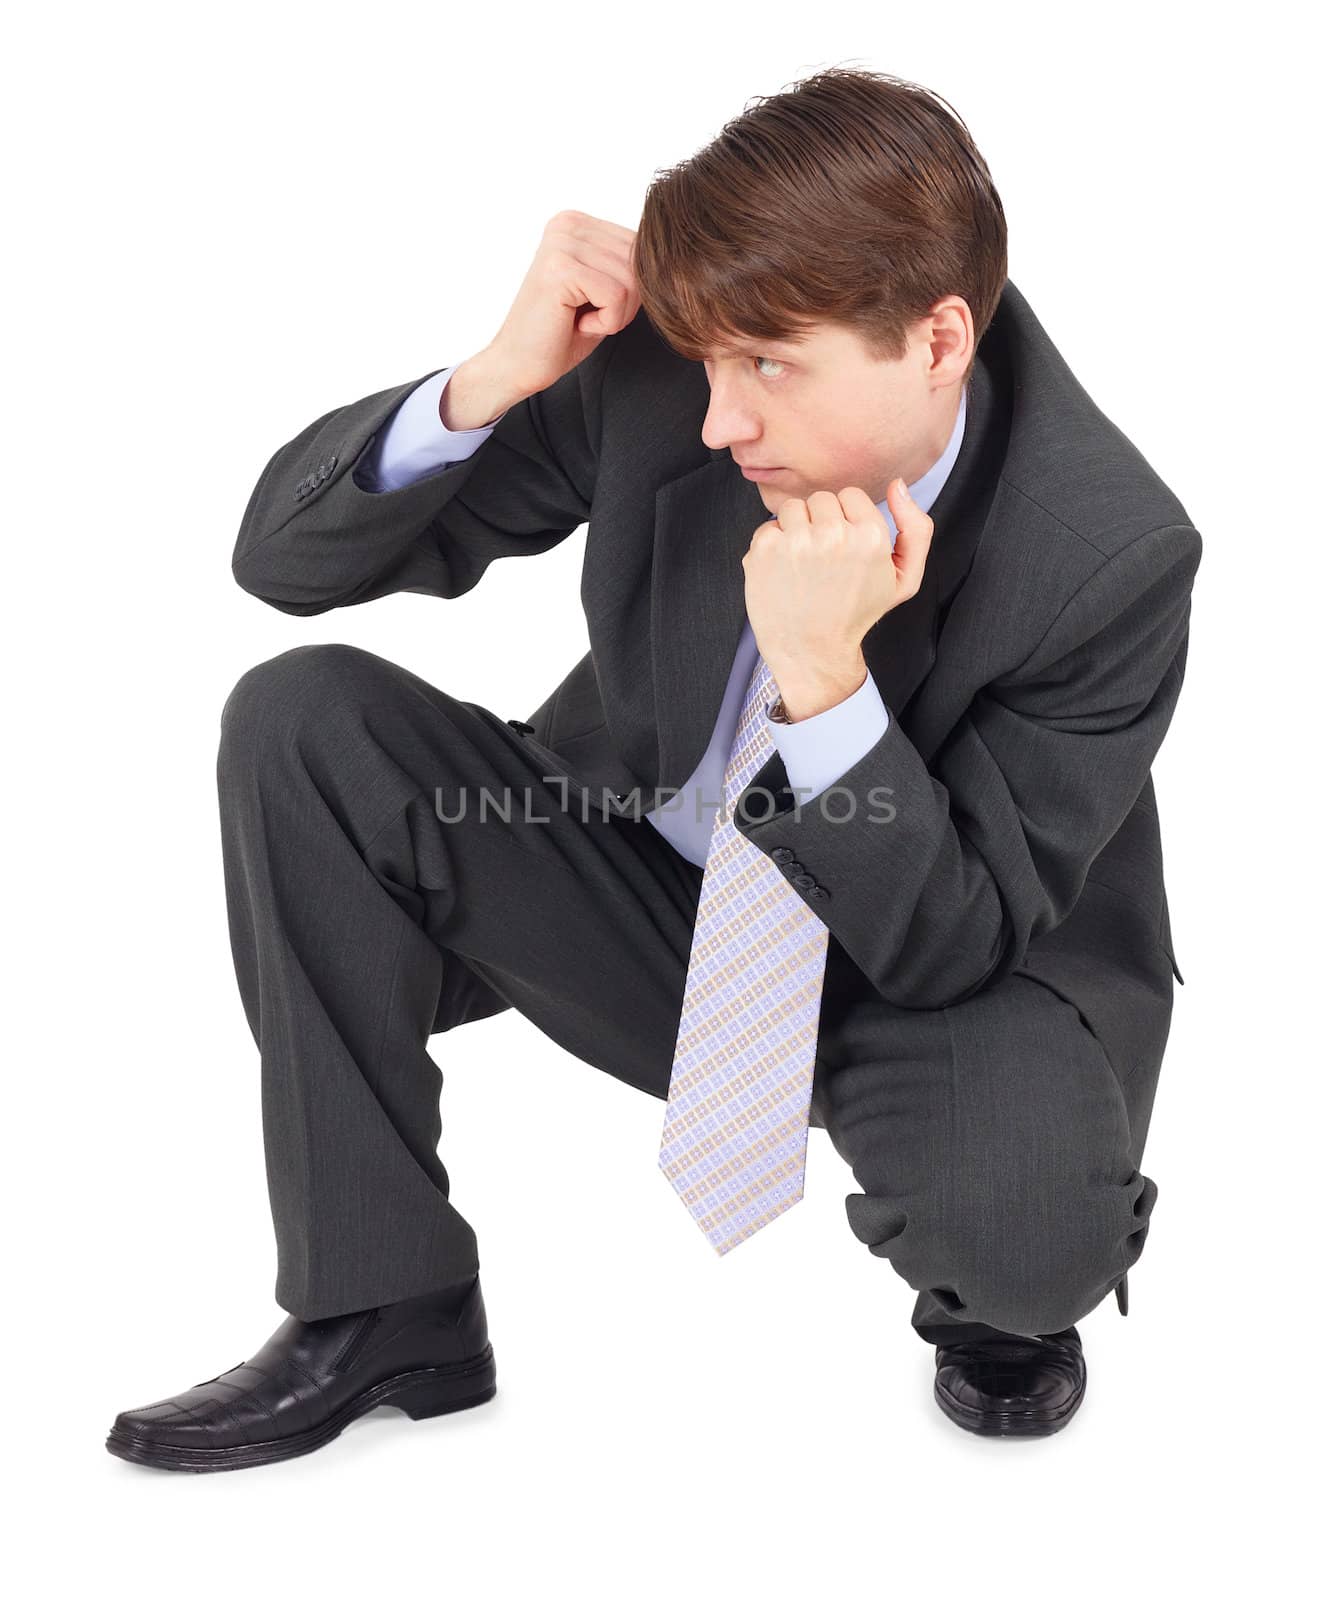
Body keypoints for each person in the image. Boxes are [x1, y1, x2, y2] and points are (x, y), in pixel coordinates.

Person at [106, 65, 1199, 1470]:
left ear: (936, 341)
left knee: (1030, 1241)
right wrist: (490, 376)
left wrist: (827, 691)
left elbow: (948, 940)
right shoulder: (681, 371)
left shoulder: (1109, 558)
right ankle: (386, 1307)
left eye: (773, 369)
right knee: (301, 724)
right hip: (650, 894)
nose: (721, 420)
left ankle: (993, 1295)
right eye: (715, 362)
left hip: (940, 964)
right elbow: (286, 565)